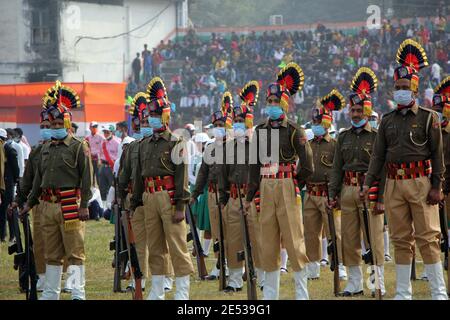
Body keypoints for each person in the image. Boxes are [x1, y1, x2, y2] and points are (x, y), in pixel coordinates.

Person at [363, 39, 448, 300]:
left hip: (421, 183)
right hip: (394, 185)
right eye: (397, 87)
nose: (400, 91)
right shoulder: (386, 121)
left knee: (428, 238)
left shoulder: (428, 117)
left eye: (405, 87)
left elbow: (437, 155)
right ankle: (402, 292)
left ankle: (438, 292)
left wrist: (437, 186)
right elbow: (377, 156)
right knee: (401, 239)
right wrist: (368, 184)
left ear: (414, 88)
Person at [246, 62, 313, 300]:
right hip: (265, 184)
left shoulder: (295, 130)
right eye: (269, 102)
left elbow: (308, 164)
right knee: (268, 240)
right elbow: (254, 166)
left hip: (286, 184)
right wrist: (249, 195)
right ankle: (270, 295)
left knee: (294, 239)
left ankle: (301, 293)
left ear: (284, 103)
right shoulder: (260, 130)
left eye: (276, 102)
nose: (272, 106)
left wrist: (295, 183)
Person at [22, 80, 93, 300]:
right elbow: (38, 181)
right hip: (47, 204)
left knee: (74, 251)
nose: (54, 128)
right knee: (51, 253)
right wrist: (30, 202)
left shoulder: (78, 146)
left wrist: (84, 206)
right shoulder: (46, 149)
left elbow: (87, 178)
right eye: (51, 125)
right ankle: (51, 292)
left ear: (68, 123)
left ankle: (77, 292)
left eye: (58, 124)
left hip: (70, 203)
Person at [130, 77, 193, 300]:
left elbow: (181, 177)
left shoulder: (176, 142)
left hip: (169, 197)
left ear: (165, 116)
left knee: (177, 245)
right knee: (155, 246)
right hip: (149, 197)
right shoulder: (144, 144)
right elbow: (139, 175)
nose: (152, 119)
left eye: (156, 115)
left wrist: (180, 206)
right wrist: (136, 200)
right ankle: (157, 291)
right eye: (150, 116)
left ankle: (182, 291)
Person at [328, 67, 386, 297]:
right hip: (348, 190)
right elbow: (336, 169)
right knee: (349, 240)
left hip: (369, 191)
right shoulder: (343, 136)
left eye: (359, 110)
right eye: (352, 110)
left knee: (373, 239)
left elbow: (383, 170)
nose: (355, 114)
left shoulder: (377, 136)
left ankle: (375, 283)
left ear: (367, 110)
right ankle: (354, 284)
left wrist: (380, 197)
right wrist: (332, 194)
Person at [218, 81, 265, 292]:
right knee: (234, 240)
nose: (236, 124)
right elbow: (222, 176)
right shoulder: (228, 146)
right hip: (234, 198)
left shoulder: (260, 143)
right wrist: (222, 199)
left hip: (254, 198)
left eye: (240, 120)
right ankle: (235, 280)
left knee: (258, 239)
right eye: (235, 120)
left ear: (248, 122)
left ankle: (262, 277)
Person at [302, 89, 347, 281]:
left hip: (329, 194)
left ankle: (340, 264)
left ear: (327, 122)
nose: (316, 125)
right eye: (314, 122)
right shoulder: (308, 145)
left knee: (334, 232)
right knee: (310, 233)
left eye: (319, 122)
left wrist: (337, 194)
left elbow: (341, 171)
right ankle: (312, 267)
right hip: (310, 194)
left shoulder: (335, 145)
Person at [190, 97, 229, 281]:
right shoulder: (210, 147)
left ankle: (234, 266)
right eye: (216, 124)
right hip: (212, 193)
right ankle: (220, 265)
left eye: (221, 124)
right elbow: (203, 174)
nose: (218, 127)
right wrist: (195, 194)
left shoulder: (235, 145)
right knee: (216, 231)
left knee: (231, 231)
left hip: (229, 194)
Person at [14, 108, 53, 291]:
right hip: (40, 203)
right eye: (43, 126)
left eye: (49, 125)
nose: (45, 129)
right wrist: (18, 199)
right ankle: (44, 279)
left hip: (65, 202)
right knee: (39, 244)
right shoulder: (36, 151)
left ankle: (73, 283)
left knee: (67, 246)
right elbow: (28, 180)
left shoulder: (75, 147)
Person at [431, 75, 450, 282]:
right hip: (435, 188)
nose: (437, 114)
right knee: (435, 231)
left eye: (440, 110)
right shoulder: (432, 130)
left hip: (448, 188)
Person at [0, 128, 19, 243]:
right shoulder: (6, 148)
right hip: (6, 183)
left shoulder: (8, 149)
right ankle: (3, 235)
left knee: (9, 209)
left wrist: (16, 180)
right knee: (4, 210)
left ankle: (13, 235)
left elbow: (15, 168)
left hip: (7, 183)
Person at [98, 125, 120, 204]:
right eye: (104, 132)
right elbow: (100, 152)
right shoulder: (103, 142)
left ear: (112, 132)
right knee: (102, 186)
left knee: (112, 187)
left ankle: (112, 204)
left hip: (112, 167)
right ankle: (104, 205)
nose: (106, 134)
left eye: (107, 132)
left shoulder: (117, 142)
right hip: (103, 166)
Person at [85, 121, 105, 189]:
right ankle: (92, 189)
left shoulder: (101, 137)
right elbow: (86, 149)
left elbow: (102, 149)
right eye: (93, 127)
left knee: (98, 175)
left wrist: (100, 159)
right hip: (90, 159)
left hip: (98, 159)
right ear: (90, 128)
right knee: (90, 175)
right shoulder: (87, 138)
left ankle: (100, 190)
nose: (95, 128)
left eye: (96, 127)